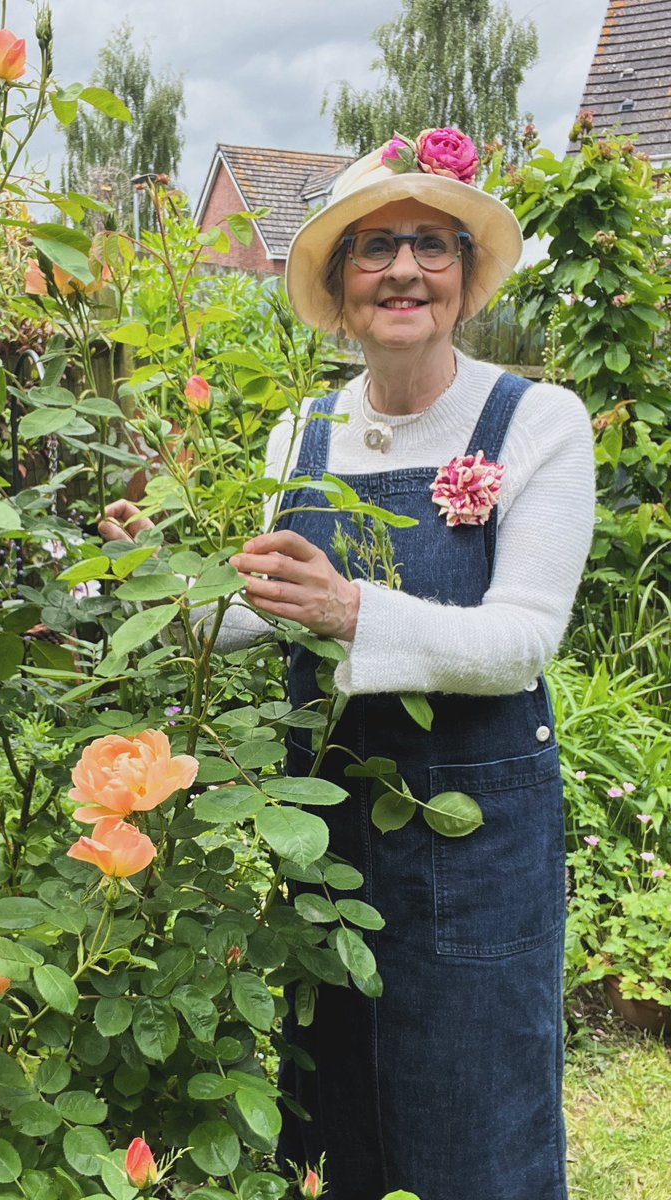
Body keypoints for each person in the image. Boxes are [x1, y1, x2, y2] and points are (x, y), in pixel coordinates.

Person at [102, 127, 595, 1200]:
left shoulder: (535, 422)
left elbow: (522, 642)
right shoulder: (301, 430)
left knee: (479, 1104)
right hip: (322, 821)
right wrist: (144, 586)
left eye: (432, 244)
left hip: (477, 826)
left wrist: (350, 605)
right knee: (332, 1110)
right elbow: (283, 615)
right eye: (374, 248)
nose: (404, 269)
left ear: (465, 277)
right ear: (337, 281)